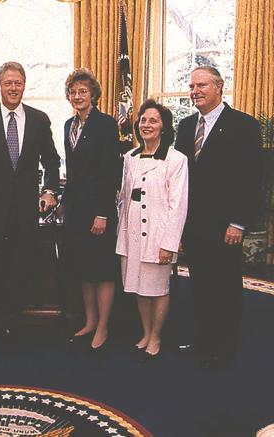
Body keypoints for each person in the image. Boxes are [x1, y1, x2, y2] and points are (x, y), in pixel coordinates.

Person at [0, 61, 60, 339]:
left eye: (18, 83)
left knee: (15, 267)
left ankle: (8, 321)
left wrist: (50, 190)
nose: (13, 88)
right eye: (8, 83)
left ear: (24, 86)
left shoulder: (39, 120)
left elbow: (52, 161)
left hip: (23, 212)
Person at [175, 66, 262, 370]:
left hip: (226, 225)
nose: (195, 91)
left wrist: (239, 221)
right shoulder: (185, 127)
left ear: (219, 87)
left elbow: (251, 179)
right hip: (194, 224)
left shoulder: (244, 126)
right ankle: (205, 338)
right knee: (200, 284)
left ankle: (224, 347)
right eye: (191, 86)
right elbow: (180, 178)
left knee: (224, 286)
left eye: (201, 85)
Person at [116, 99, 188, 360]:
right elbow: (124, 197)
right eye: (143, 120)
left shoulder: (176, 159)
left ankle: (156, 335)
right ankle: (145, 332)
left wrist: (169, 243)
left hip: (158, 235)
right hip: (131, 232)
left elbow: (178, 204)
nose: (147, 125)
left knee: (157, 288)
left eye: (153, 120)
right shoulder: (130, 157)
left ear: (164, 127)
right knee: (138, 285)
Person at [60, 68, 120, 352]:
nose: (77, 96)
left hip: (99, 210)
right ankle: (90, 320)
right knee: (85, 268)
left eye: (83, 91)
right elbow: (72, 172)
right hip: (76, 210)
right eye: (73, 92)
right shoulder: (68, 126)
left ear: (93, 94)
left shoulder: (106, 125)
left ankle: (104, 327)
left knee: (103, 270)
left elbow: (110, 172)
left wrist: (103, 213)